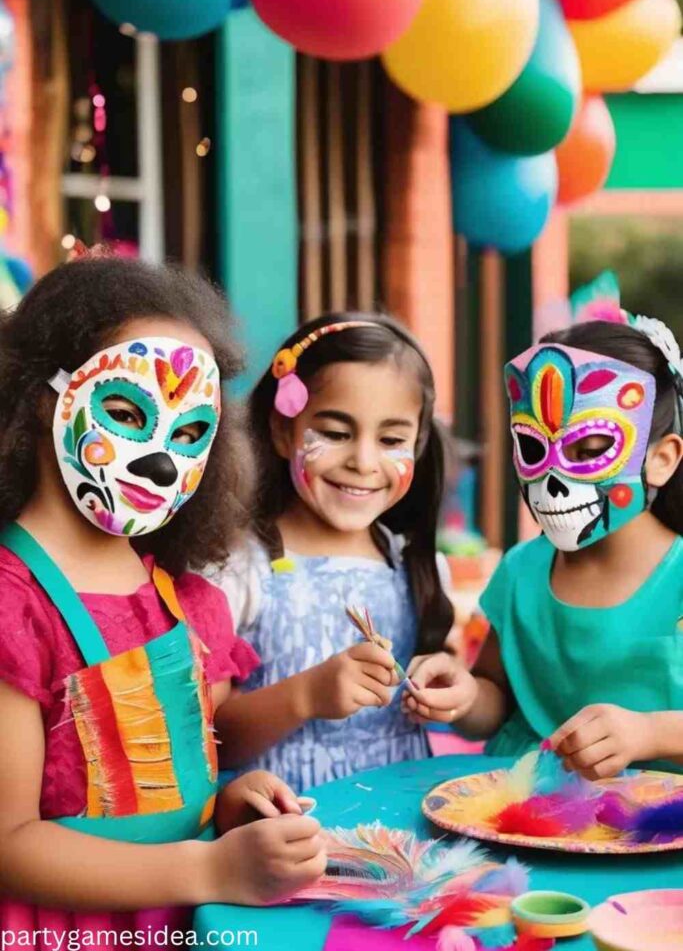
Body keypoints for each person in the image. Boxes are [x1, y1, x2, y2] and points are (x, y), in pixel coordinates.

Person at [0, 257, 325, 950]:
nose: (159, 458)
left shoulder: (180, 596)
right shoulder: (11, 606)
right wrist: (207, 865)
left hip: (187, 924)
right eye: (124, 411)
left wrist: (220, 809)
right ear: (40, 393)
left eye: (187, 433)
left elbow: (167, 778)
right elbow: (8, 842)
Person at [403, 314, 683, 779]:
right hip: (520, 806)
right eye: (534, 449)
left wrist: (649, 732)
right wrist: (466, 696)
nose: (554, 481)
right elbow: (496, 693)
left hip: (652, 826)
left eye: (590, 449)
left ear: (660, 459)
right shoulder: (521, 570)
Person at [211, 312, 455, 790]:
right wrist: (306, 695)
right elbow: (209, 739)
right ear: (284, 432)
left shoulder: (416, 567)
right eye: (336, 433)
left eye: (391, 440)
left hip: (401, 836)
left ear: (419, 445)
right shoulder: (239, 567)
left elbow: (457, 690)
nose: (364, 462)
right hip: (287, 837)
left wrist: (452, 691)